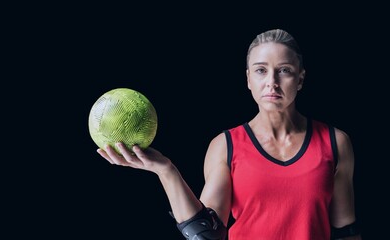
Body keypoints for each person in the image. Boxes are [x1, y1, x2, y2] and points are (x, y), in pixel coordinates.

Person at [96, 29, 361, 239]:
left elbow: (345, 231)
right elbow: (206, 233)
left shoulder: (335, 142)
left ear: (300, 79)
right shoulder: (227, 145)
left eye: (284, 70)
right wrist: (166, 170)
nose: (272, 81)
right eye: (261, 70)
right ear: (248, 80)